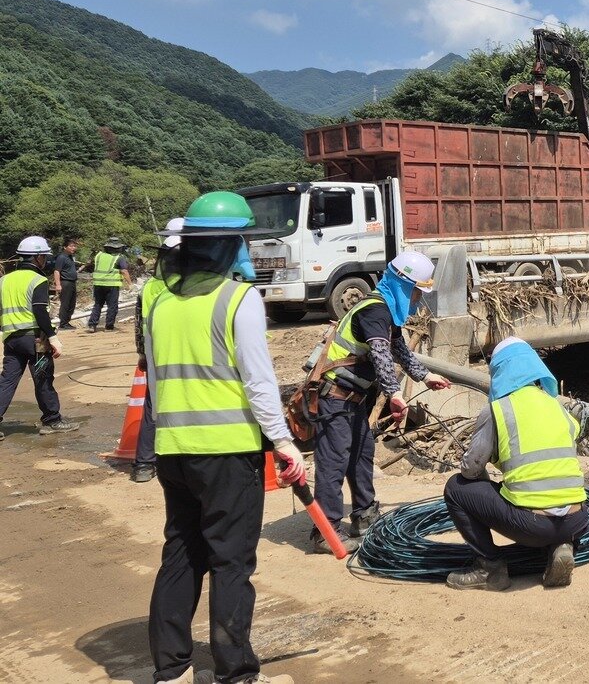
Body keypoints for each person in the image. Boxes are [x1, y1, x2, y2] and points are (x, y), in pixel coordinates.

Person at [145, 191, 306, 684]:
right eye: (241, 240)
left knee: (181, 552)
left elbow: (154, 378)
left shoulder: (157, 301)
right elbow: (259, 382)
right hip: (228, 453)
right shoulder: (240, 299)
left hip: (173, 450)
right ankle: (234, 672)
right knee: (231, 561)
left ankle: (169, 670)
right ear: (227, 246)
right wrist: (282, 441)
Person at [310, 250, 451, 554]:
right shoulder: (374, 311)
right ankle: (325, 531)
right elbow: (380, 354)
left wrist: (425, 377)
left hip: (353, 398)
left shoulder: (386, 311)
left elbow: (399, 349)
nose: (417, 300)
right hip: (334, 397)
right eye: (416, 292)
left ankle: (364, 515)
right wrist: (395, 394)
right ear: (403, 285)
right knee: (334, 462)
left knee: (361, 454)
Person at [442, 336, 589, 591]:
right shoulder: (557, 406)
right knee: (550, 494)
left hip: (532, 527)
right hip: (577, 520)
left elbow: (471, 468)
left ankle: (489, 569)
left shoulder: (499, 409)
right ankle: (561, 545)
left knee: (456, 487)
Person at [0, 236, 80, 439]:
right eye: (43, 256)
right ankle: (52, 420)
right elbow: (40, 312)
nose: (45, 260)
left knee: (7, 381)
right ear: (37, 258)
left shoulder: (4, 280)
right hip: (35, 339)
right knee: (43, 379)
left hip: (11, 339)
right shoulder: (38, 280)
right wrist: (52, 337)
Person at [131, 219, 183, 484]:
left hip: (155, 355)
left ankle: (144, 464)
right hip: (186, 353)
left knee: (154, 406)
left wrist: (141, 353)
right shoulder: (191, 282)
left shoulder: (149, 287)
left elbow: (141, 323)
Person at [87, 235, 131, 332]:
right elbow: (124, 271)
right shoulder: (119, 258)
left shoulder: (99, 255)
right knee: (112, 306)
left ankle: (92, 325)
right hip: (112, 285)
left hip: (98, 284)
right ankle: (109, 326)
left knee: (98, 304)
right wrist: (130, 284)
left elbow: (91, 265)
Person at [52, 237, 80, 330]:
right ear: (65, 247)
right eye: (71, 246)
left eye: (74, 246)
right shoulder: (62, 257)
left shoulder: (70, 257)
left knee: (72, 303)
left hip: (72, 282)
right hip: (65, 282)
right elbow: (57, 271)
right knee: (65, 303)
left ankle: (67, 321)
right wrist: (58, 284)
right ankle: (63, 323)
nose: (73, 248)